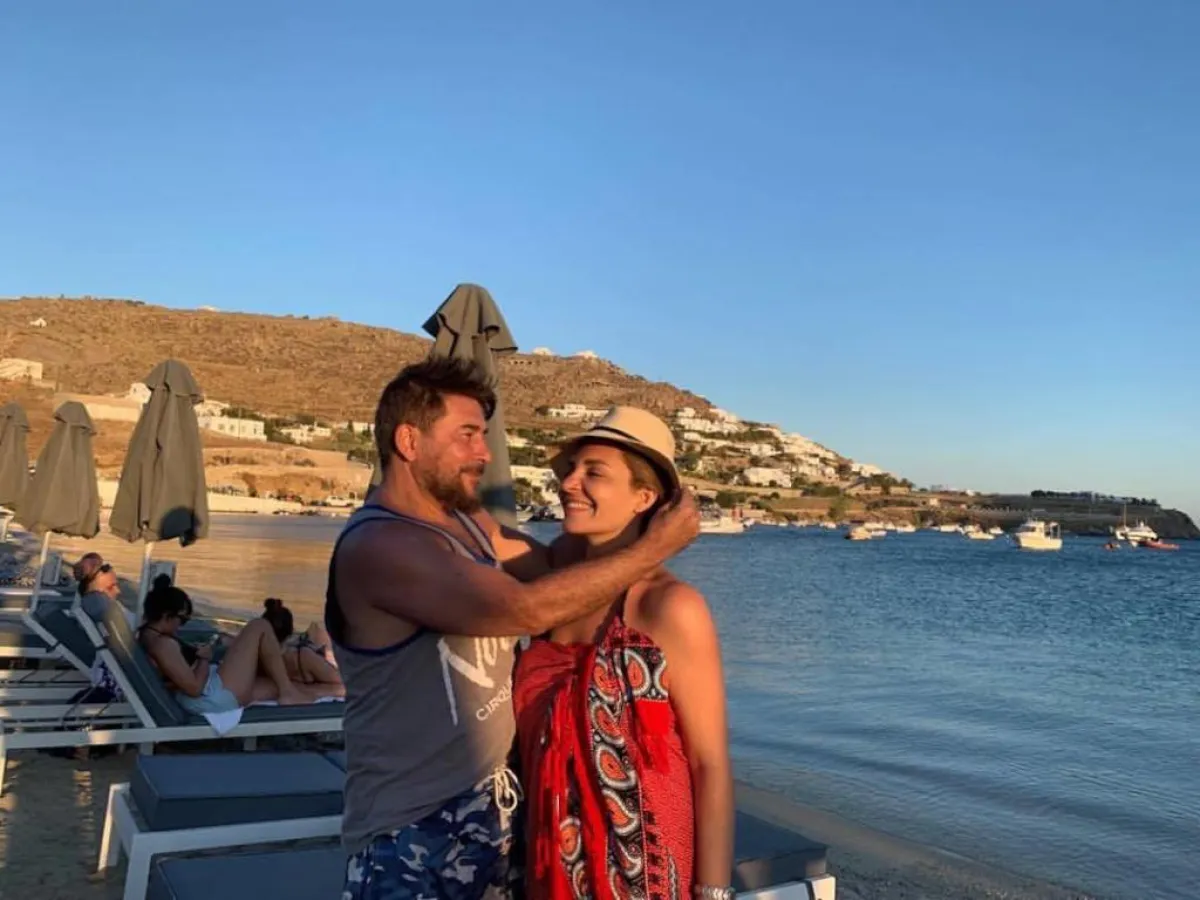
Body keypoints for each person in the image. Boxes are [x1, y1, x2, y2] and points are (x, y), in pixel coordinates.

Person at [327, 357, 700, 900]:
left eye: (484, 435)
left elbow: (551, 572)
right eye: (467, 435)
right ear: (409, 441)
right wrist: (653, 548)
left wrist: (606, 529)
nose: (484, 453)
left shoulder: (465, 522)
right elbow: (526, 609)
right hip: (411, 832)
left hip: (499, 818)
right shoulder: (381, 546)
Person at [514, 407, 733, 900]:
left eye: (593, 472)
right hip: (547, 867)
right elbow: (473, 530)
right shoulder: (553, 589)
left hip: (644, 879)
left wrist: (714, 893)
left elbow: (710, 763)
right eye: (571, 469)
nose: (568, 483)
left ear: (644, 497)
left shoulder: (670, 607)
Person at [139, 575, 312, 712]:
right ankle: (289, 692)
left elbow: (170, 679)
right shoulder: (163, 645)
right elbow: (194, 689)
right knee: (259, 626)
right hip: (211, 698)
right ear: (166, 615)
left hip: (210, 690)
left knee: (275, 685)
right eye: (182, 620)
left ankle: (309, 692)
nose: (180, 626)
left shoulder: (147, 635)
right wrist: (204, 659)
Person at [260, 597, 343, 693]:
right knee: (316, 632)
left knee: (313, 631)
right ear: (291, 630)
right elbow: (342, 683)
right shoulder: (303, 657)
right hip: (306, 661)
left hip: (296, 655)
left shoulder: (257, 658)